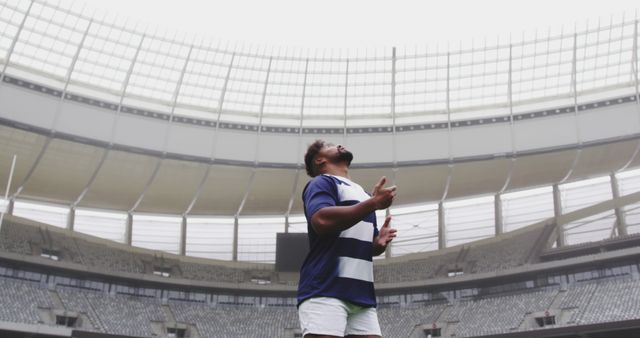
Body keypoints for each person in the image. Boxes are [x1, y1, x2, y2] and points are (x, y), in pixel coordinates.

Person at [297, 140, 398, 338]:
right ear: (320, 160)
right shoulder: (322, 182)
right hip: (325, 289)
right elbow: (321, 220)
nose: (338, 145)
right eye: (329, 145)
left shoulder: (364, 194)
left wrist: (377, 245)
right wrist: (373, 204)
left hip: (362, 294)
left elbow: (361, 245)